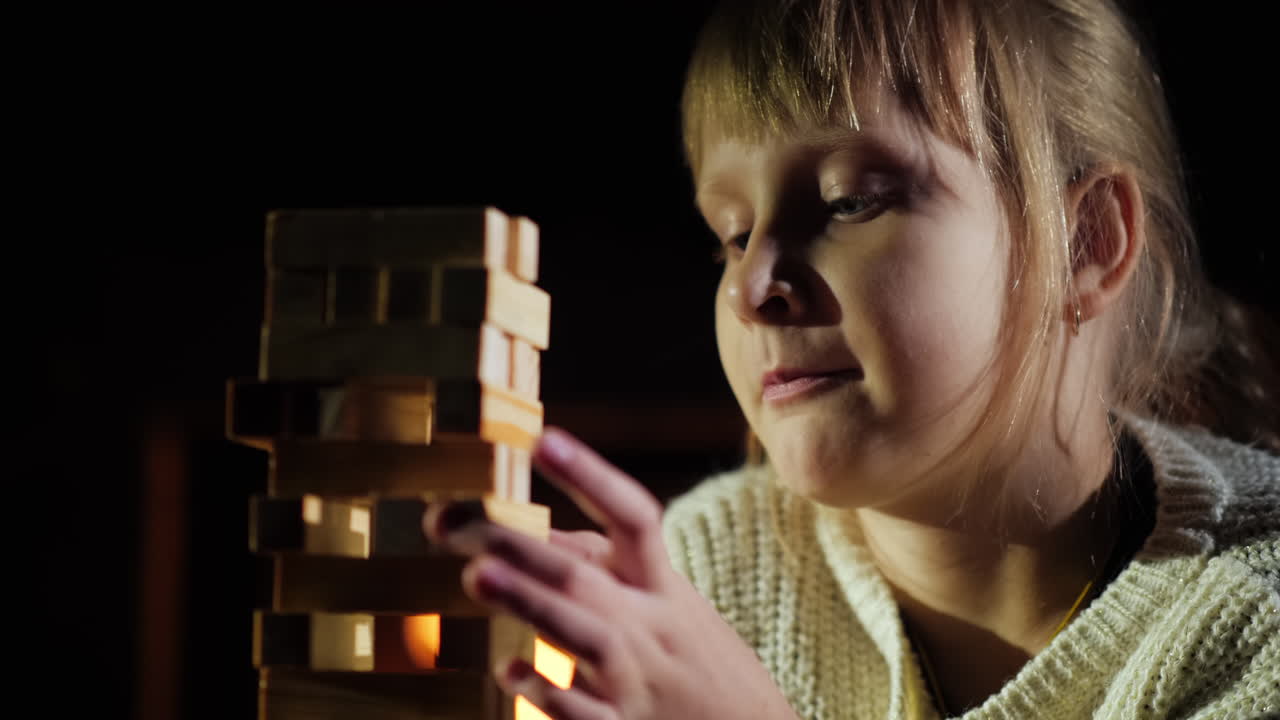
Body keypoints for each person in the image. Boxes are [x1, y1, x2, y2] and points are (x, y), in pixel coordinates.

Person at [425, 1, 1280, 717]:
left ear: (1085, 244)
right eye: (730, 232)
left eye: (849, 201)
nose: (752, 285)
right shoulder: (713, 571)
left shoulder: (1254, 619)